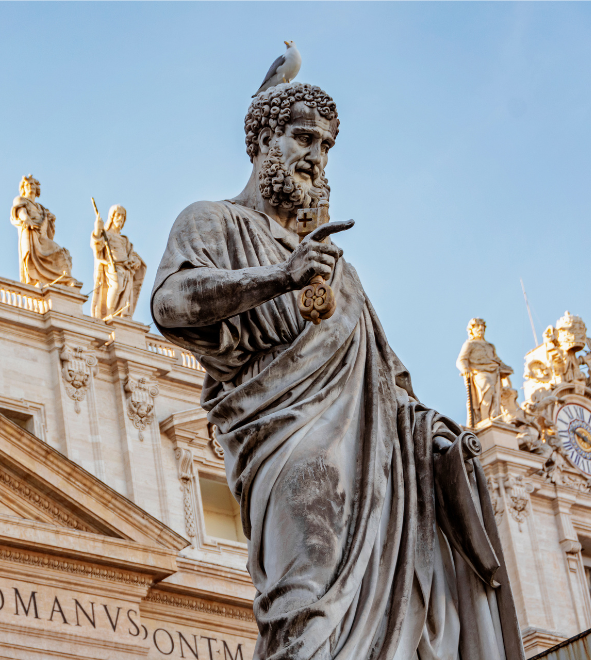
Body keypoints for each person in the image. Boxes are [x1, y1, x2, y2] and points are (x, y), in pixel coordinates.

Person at [151, 81, 522, 659]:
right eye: (303, 137)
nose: (316, 156)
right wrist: (280, 277)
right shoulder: (212, 221)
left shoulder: (338, 271)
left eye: (325, 146)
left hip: (374, 468)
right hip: (285, 449)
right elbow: (170, 304)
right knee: (304, 606)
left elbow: (388, 380)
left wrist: (432, 438)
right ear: (262, 144)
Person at [10, 175, 78, 287]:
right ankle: (38, 280)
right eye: (28, 184)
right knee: (34, 257)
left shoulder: (41, 208)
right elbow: (20, 211)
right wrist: (27, 220)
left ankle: (66, 279)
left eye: (33, 184)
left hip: (43, 237)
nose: (30, 186)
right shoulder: (20, 200)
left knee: (61, 253)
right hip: (31, 233)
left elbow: (49, 227)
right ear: (23, 187)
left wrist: (50, 220)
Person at [90, 204, 146, 319]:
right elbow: (97, 246)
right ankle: (109, 313)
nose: (120, 219)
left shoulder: (124, 239)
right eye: (118, 215)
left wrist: (134, 261)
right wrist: (97, 229)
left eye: (123, 217)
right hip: (112, 266)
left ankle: (119, 314)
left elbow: (130, 254)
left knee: (124, 292)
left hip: (125, 268)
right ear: (112, 217)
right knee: (116, 286)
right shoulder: (106, 234)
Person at [457, 318, 513, 425]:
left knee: (495, 396)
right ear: (472, 330)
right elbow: (461, 360)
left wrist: (506, 368)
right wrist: (465, 369)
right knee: (487, 391)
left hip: (494, 372)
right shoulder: (470, 344)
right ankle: (484, 418)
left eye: (481, 327)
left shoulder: (490, 346)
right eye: (477, 327)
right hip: (479, 372)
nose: (480, 329)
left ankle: (493, 416)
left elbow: (497, 360)